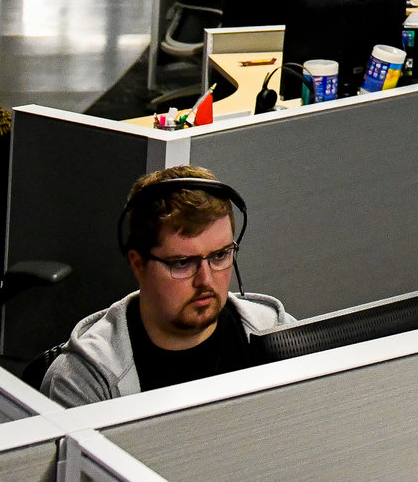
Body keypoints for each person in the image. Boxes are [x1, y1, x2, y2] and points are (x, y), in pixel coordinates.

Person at [42, 166, 292, 405]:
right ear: (138, 264)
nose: (205, 279)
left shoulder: (276, 333)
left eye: (219, 256)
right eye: (182, 263)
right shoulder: (83, 381)